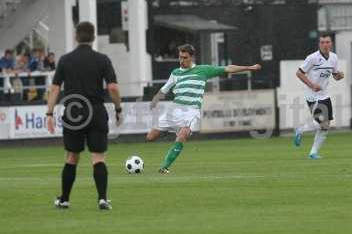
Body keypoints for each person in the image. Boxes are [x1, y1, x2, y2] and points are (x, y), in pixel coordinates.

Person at [146, 44, 261, 174]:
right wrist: (154, 101)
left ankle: (164, 167)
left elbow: (228, 68)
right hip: (174, 109)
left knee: (182, 135)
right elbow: (164, 90)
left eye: (185, 58)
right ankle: (168, 131)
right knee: (150, 137)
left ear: (192, 58)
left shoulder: (203, 70)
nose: (182, 60)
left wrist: (248, 68)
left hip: (191, 110)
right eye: (180, 57)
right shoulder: (175, 73)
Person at [46, 22, 123, 210]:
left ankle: (64, 199)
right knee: (98, 157)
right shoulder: (102, 59)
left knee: (72, 156)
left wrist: (49, 113)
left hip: (74, 112)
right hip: (96, 111)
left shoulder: (65, 60)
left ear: (76, 36)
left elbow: (55, 88)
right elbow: (112, 87)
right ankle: (102, 199)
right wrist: (118, 108)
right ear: (94, 37)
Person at [293, 32, 344, 159]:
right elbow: (299, 73)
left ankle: (313, 153)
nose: (325, 45)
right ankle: (300, 130)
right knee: (322, 123)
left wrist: (339, 76)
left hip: (324, 95)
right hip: (312, 95)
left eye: (327, 42)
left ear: (331, 43)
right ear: (319, 44)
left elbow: (335, 76)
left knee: (325, 126)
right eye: (322, 42)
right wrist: (312, 85)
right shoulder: (312, 58)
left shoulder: (334, 58)